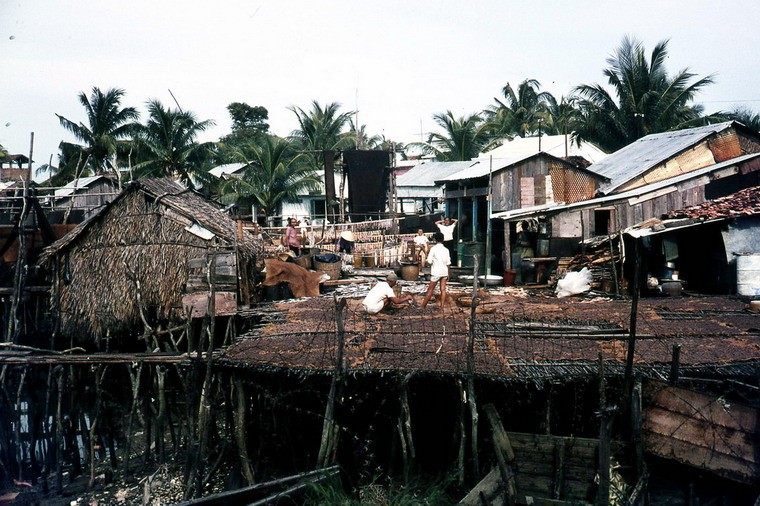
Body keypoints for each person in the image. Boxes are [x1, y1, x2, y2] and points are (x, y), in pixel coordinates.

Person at [421, 232, 451, 311]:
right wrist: (448, 273)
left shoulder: (433, 249)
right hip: (444, 271)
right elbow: (448, 263)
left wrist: (428, 260)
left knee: (430, 289)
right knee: (443, 289)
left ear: (435, 239)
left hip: (436, 272)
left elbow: (429, 261)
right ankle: (442, 307)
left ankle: (422, 306)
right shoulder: (446, 250)